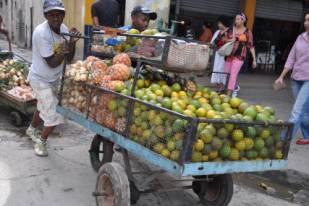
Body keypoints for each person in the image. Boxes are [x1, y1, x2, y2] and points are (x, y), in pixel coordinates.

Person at [26, 0, 81, 156]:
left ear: (63, 15)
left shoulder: (63, 28)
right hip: (39, 78)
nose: (56, 18)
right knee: (53, 114)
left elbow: (69, 58)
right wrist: (63, 52)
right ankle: (41, 143)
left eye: (59, 15)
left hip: (54, 78)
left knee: (43, 105)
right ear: (46, 16)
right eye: (52, 15)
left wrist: (72, 41)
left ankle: (31, 130)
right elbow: (51, 62)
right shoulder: (40, 33)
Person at [274, 11, 309, 145]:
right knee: (303, 111)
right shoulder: (301, 37)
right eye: (305, 20)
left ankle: (282, 140)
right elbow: (291, 58)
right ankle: (307, 135)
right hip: (296, 78)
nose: (306, 23)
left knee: (297, 111)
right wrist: (282, 76)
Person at [224, 13, 257, 96]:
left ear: (243, 20)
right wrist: (230, 40)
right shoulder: (230, 30)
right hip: (229, 55)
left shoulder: (247, 32)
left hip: (239, 56)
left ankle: (228, 95)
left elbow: (251, 46)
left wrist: (254, 60)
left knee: (233, 75)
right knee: (226, 74)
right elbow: (223, 39)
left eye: (239, 19)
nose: (237, 21)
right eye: (236, 19)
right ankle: (234, 87)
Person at [210, 16, 230, 93]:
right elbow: (212, 42)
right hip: (217, 55)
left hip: (225, 55)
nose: (218, 24)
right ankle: (218, 87)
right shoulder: (217, 32)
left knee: (222, 70)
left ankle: (222, 87)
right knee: (216, 70)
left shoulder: (229, 32)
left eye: (220, 23)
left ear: (224, 23)